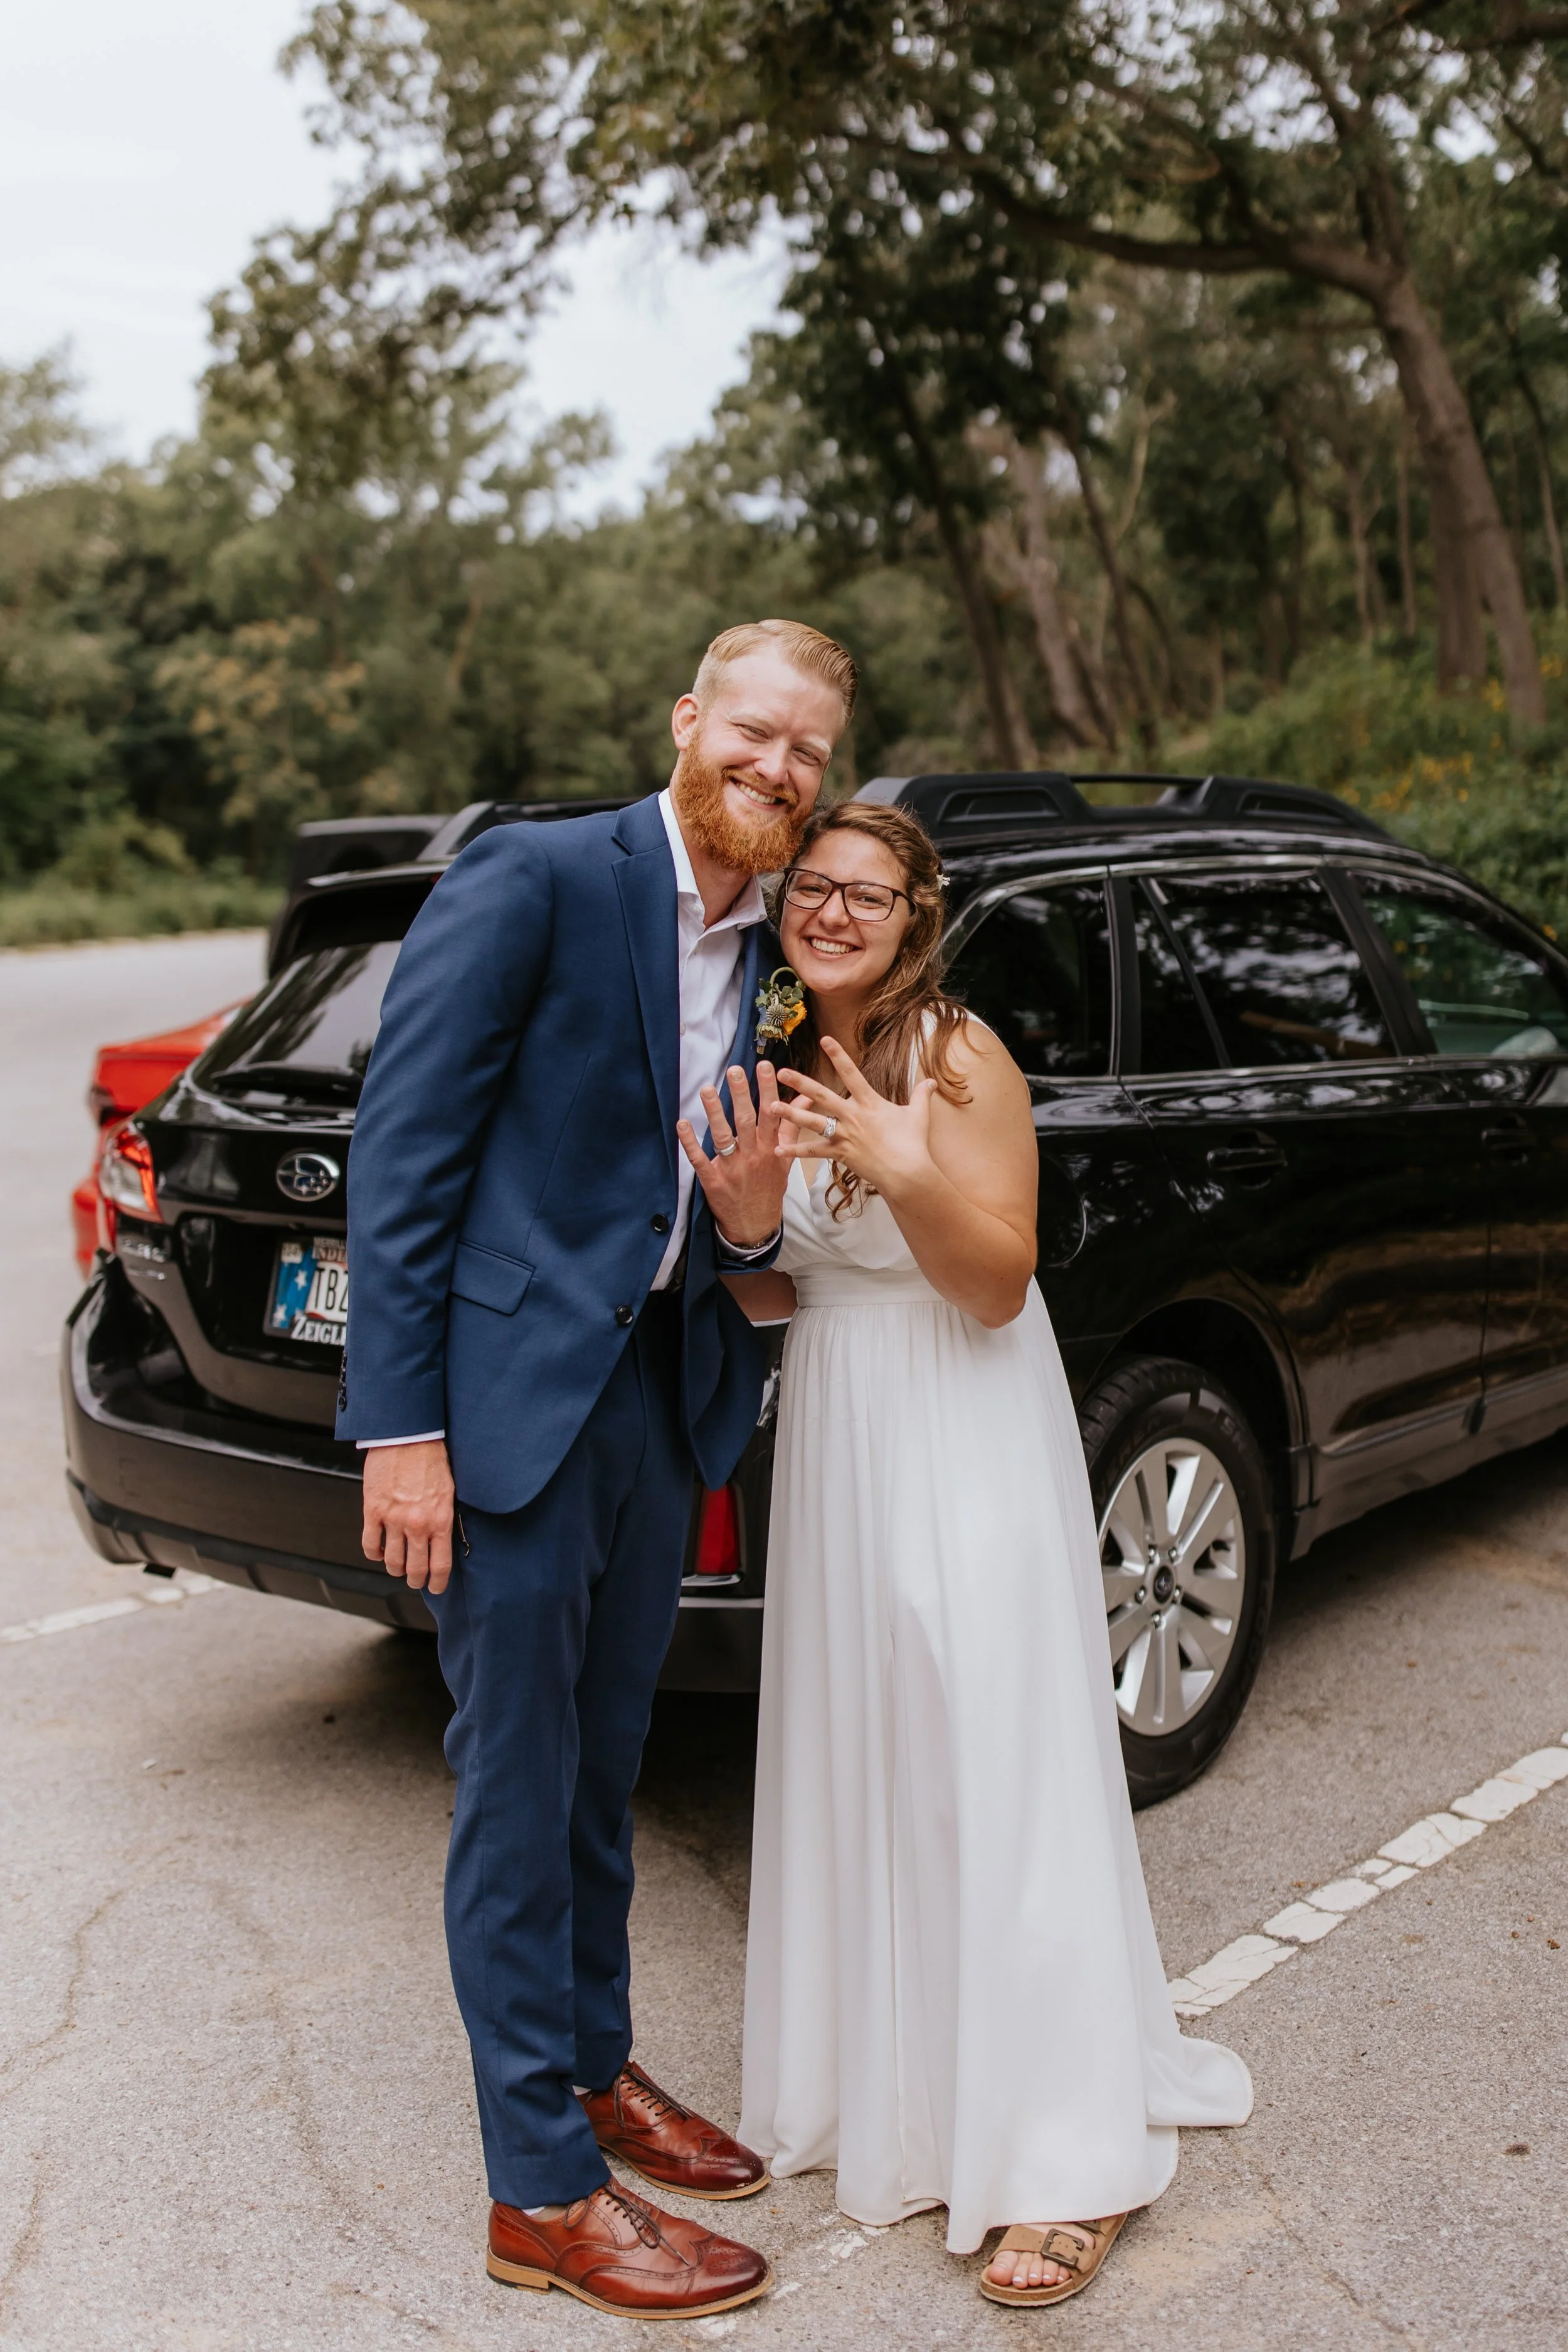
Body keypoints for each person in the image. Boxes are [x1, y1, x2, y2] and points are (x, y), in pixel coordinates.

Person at [339, 618, 856, 2321]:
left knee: (604, 1761)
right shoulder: (537, 878)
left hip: (658, 1391)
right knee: (513, 1781)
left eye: (809, 753)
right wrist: (400, 1428)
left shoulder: (772, 952)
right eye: (756, 731)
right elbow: (405, 1159)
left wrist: (751, 1229)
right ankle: (540, 2192)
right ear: (689, 717)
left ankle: (590, 2060)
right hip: (501, 1408)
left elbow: (739, 1187)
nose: (778, 768)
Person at [708, 800, 1254, 2309]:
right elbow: (784, 1305)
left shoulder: (953, 1053)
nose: (829, 911)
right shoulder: (768, 1056)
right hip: (840, 1436)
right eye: (809, 886)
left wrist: (901, 1163)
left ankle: (1059, 2153)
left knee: (985, 1754)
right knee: (868, 1752)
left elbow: (996, 1281)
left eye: (863, 892)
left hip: (962, 1433)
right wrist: (752, 1235)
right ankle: (887, 2092)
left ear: (914, 910)